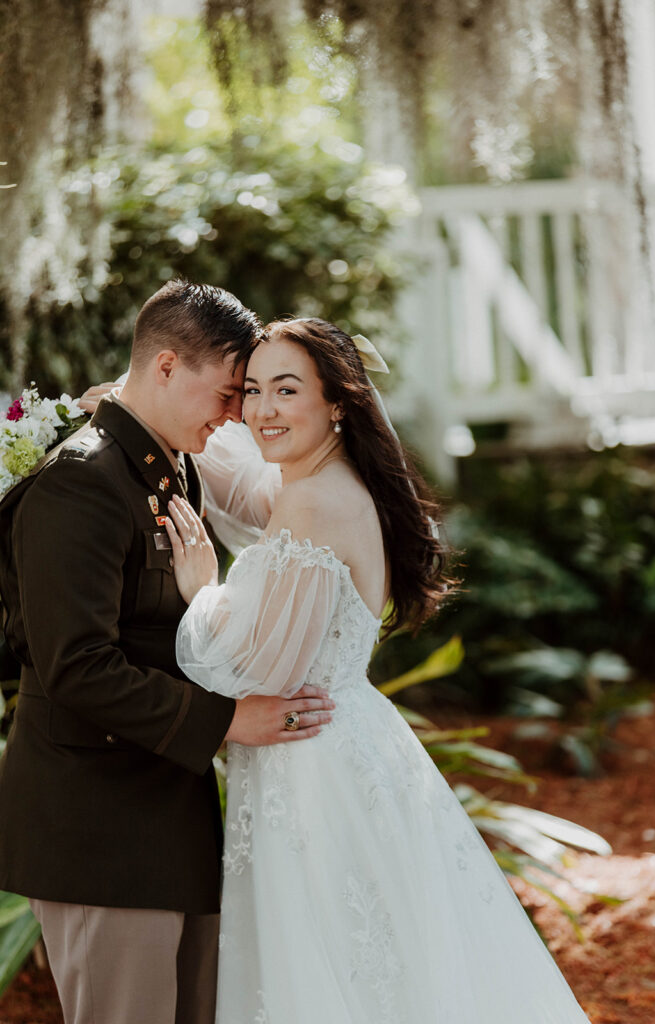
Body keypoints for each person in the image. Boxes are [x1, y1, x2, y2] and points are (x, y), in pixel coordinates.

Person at [165, 316, 592, 1024]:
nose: (262, 410)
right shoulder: (324, 483)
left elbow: (260, 667)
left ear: (336, 401)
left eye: (286, 389)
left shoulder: (312, 501)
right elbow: (242, 484)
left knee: (338, 963)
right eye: (252, 391)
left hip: (313, 765)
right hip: (345, 746)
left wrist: (201, 592)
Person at [0, 281, 334, 1024]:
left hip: (167, 812)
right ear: (164, 367)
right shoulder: (81, 483)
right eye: (224, 395)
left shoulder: (171, 467)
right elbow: (77, 664)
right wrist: (227, 722)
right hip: (97, 827)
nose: (234, 417)